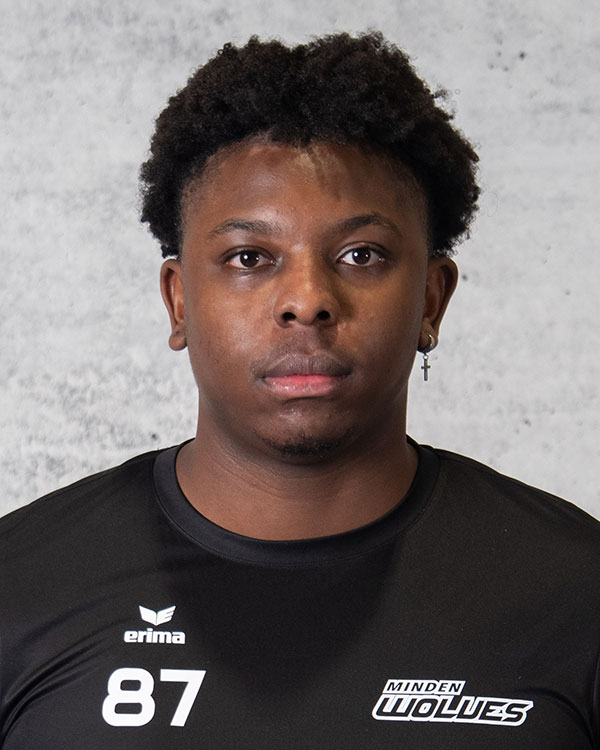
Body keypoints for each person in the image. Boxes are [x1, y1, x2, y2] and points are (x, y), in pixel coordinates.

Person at [1, 32, 598, 749]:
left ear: (432, 300)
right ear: (179, 301)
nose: (307, 300)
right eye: (249, 257)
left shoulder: (576, 593)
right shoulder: (20, 585)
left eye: (361, 255)